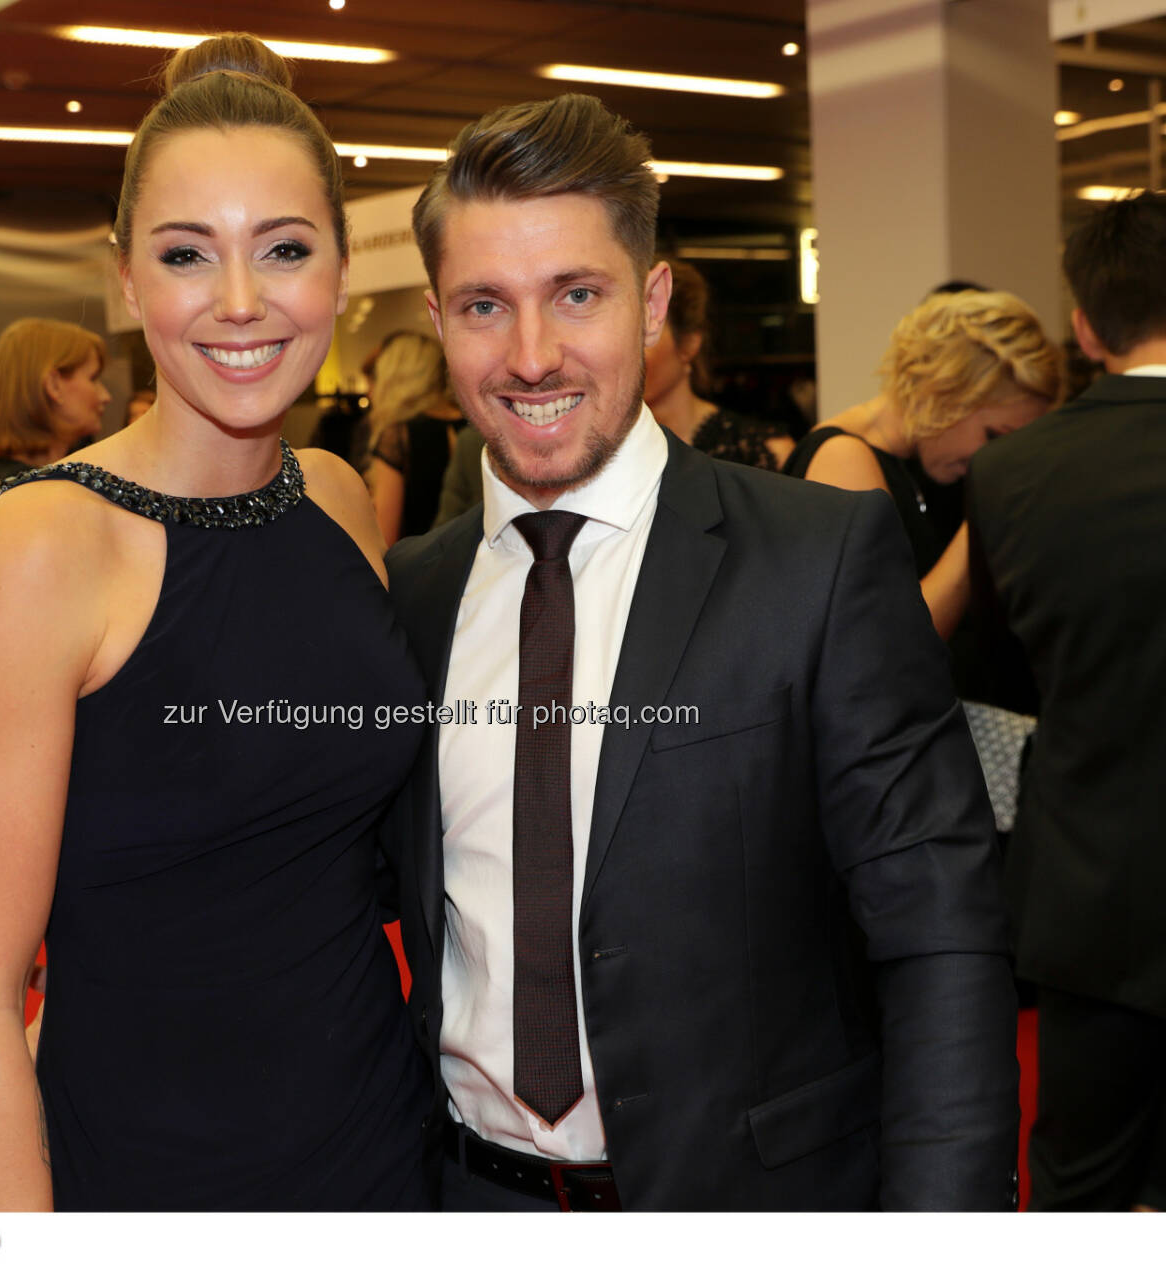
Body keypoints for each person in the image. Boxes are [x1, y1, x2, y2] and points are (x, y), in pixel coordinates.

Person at [384, 92, 1020, 1210]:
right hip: (469, 1199)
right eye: (486, 305)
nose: (532, 356)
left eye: (577, 295)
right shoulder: (412, 595)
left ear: (652, 303)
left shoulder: (813, 563)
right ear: (439, 320)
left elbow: (939, 936)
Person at [0, 32, 431, 1212]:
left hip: (380, 1143)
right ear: (127, 277)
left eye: (285, 250)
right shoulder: (41, 545)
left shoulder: (340, 502)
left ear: (340, 271)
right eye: (189, 254)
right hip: (154, 1175)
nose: (241, 302)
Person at [969, 190, 1166, 1212]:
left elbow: (1000, 656)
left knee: (1080, 1193)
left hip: (1092, 898)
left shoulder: (1012, 473)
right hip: (1094, 898)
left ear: (1084, 327)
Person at [783, 291, 1061, 639]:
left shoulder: (927, 466)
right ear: (945, 393)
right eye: (994, 435)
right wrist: (982, 518)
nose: (994, 456)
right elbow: (892, 639)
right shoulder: (842, 459)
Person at [0, 319, 109, 591]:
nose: (104, 396)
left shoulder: (36, 482)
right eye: (93, 378)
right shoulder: (23, 494)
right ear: (53, 385)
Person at [642, 259, 792, 470]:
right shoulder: (599, 451)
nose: (628, 353)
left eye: (643, 335)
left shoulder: (763, 452)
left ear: (689, 344)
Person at [363, 331, 464, 544]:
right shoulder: (470, 425)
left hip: (418, 568)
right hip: (469, 564)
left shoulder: (399, 434)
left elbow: (384, 539)